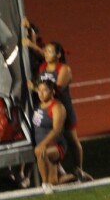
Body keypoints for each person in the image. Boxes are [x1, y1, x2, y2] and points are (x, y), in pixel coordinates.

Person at [40, 41, 92, 182]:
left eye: (50, 51)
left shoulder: (64, 69)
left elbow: (56, 89)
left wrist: (36, 88)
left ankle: (78, 169)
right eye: (45, 51)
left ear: (58, 54)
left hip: (64, 109)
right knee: (53, 141)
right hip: (50, 111)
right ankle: (61, 173)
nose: (46, 53)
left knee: (72, 139)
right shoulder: (43, 67)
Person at [31, 76, 75, 191]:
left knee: (39, 152)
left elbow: (57, 129)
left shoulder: (57, 107)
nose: (41, 94)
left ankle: (45, 184)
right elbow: (34, 87)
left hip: (56, 146)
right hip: (45, 145)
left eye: (44, 91)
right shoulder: (40, 104)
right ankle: (78, 176)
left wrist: (43, 144)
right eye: (39, 91)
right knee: (55, 182)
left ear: (52, 92)